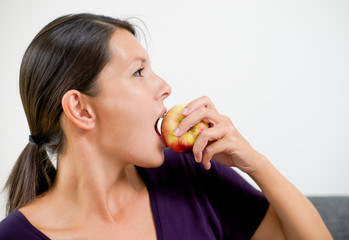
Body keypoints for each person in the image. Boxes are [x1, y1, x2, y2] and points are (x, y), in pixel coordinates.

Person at [0, 13, 332, 239]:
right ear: (81, 109)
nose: (165, 86)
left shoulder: (192, 176)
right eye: (138, 72)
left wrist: (255, 163)